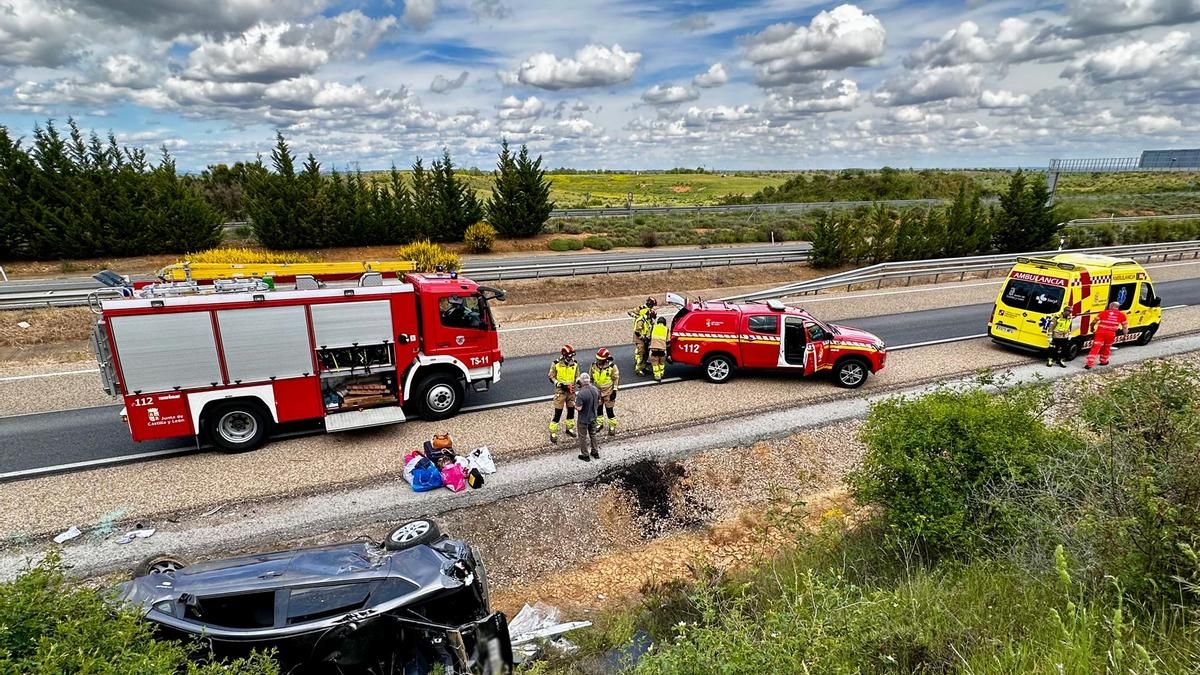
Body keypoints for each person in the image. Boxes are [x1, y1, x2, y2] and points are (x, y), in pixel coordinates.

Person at [547, 345, 578, 442]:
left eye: (572, 356)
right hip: (560, 392)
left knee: (571, 411)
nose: (571, 358)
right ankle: (553, 431)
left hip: (571, 392)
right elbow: (551, 376)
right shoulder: (556, 364)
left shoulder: (575, 364)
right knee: (558, 413)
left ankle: (569, 428)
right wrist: (559, 384)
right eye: (569, 356)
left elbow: (577, 375)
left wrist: (579, 382)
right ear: (564, 355)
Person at [1085, 301, 1128, 369]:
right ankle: (1103, 361)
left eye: (1110, 306)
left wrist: (1092, 328)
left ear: (1112, 306)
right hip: (1111, 334)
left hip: (1100, 333)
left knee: (1096, 347)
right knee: (1107, 347)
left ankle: (1089, 363)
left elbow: (1094, 322)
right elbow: (1125, 327)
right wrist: (1125, 335)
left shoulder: (1104, 313)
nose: (1109, 307)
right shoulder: (1122, 315)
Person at [590, 347, 620, 436]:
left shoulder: (612, 367)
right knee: (599, 409)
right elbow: (591, 378)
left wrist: (614, 391)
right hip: (597, 392)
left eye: (600, 360)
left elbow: (616, 379)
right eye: (597, 359)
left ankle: (612, 425)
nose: (598, 361)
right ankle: (599, 424)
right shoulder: (593, 366)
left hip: (608, 392)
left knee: (609, 410)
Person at [573, 372, 602, 461]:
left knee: (583, 437)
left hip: (583, 419)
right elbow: (599, 402)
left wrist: (574, 404)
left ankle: (585, 455)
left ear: (581, 382)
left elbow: (579, 408)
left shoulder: (581, 394)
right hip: (593, 416)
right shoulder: (595, 389)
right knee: (593, 434)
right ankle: (595, 452)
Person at [629, 297, 657, 376]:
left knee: (646, 354)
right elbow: (637, 331)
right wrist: (642, 338)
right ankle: (638, 369)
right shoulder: (641, 319)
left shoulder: (649, 320)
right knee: (641, 354)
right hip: (640, 338)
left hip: (645, 339)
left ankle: (643, 367)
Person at [648, 316, 670, 382]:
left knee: (655, 362)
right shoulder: (666, 329)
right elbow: (668, 340)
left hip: (654, 348)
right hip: (662, 348)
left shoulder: (653, 327)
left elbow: (648, 337)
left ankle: (657, 376)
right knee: (661, 362)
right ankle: (661, 373)